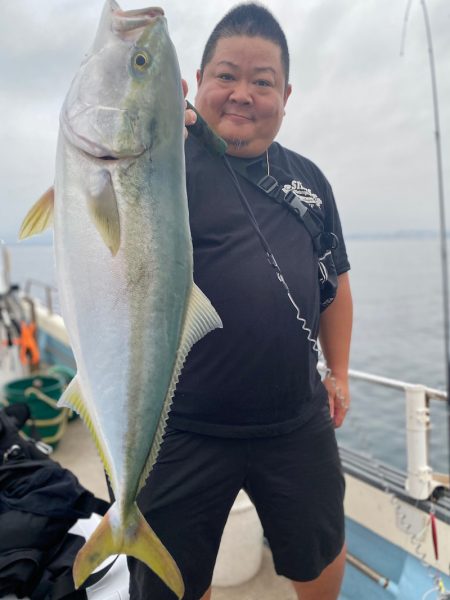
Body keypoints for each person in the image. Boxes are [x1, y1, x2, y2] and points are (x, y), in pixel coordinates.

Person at [130, 4, 353, 599]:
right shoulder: (159, 167)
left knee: (321, 551)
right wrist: (148, 118)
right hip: (179, 425)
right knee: (173, 581)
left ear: (286, 94)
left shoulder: (310, 182)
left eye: (263, 81)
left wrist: (341, 373)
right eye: (226, 75)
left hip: (296, 420)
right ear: (196, 82)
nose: (242, 94)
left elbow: (335, 284)